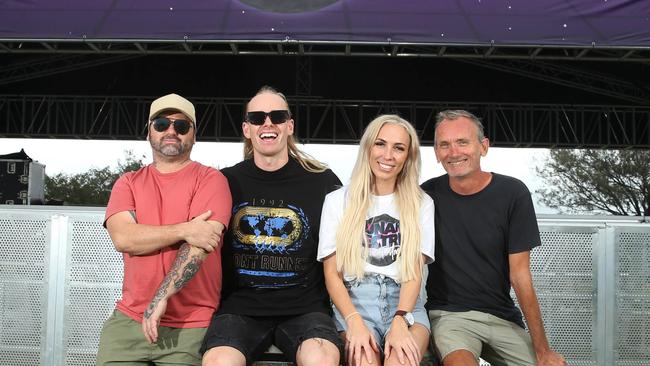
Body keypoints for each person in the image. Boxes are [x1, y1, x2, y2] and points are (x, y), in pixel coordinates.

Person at [200, 86, 342, 366]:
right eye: (257, 118)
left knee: (322, 359)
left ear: (289, 126)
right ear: (246, 129)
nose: (267, 123)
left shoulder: (323, 181)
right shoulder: (223, 181)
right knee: (218, 362)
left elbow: (346, 245)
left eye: (277, 116)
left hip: (306, 310)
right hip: (241, 309)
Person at [422, 110, 567, 366]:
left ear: (484, 146)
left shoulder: (513, 193)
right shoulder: (426, 196)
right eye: (444, 144)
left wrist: (543, 350)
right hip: (449, 316)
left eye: (463, 142)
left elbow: (520, 275)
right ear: (436, 152)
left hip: (502, 317)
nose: (453, 152)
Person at [96, 93, 232, 366]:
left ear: (194, 135)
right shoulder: (128, 182)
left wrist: (161, 297)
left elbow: (200, 244)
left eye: (181, 126)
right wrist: (184, 229)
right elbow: (124, 238)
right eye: (161, 123)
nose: (171, 131)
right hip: (129, 320)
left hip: (190, 325)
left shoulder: (212, 180)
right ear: (149, 131)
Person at [317, 114, 434, 366]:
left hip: (406, 303)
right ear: (368, 147)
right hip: (354, 300)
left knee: (399, 362)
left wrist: (401, 318)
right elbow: (331, 274)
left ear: (409, 156)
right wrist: (353, 320)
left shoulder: (422, 203)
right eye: (380, 144)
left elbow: (414, 273)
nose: (388, 155)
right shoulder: (338, 201)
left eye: (399, 148)